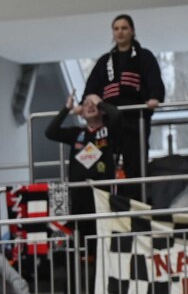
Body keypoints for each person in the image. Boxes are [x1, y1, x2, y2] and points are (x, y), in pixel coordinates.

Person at [44, 94, 135, 224]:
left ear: (102, 110)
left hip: (102, 193)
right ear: (81, 113)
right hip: (78, 193)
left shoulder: (110, 130)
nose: (91, 106)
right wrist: (67, 109)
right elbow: (50, 132)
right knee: (80, 231)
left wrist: (101, 104)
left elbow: (117, 115)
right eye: (86, 104)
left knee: (101, 230)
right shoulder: (76, 133)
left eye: (94, 103)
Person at [82, 13, 165, 154]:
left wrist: (155, 98)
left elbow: (154, 81)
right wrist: (82, 104)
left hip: (136, 117)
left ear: (132, 31)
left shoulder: (144, 56)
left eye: (124, 28)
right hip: (109, 118)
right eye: (116, 29)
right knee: (107, 156)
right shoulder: (104, 61)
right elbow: (91, 87)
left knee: (135, 157)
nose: (120, 32)